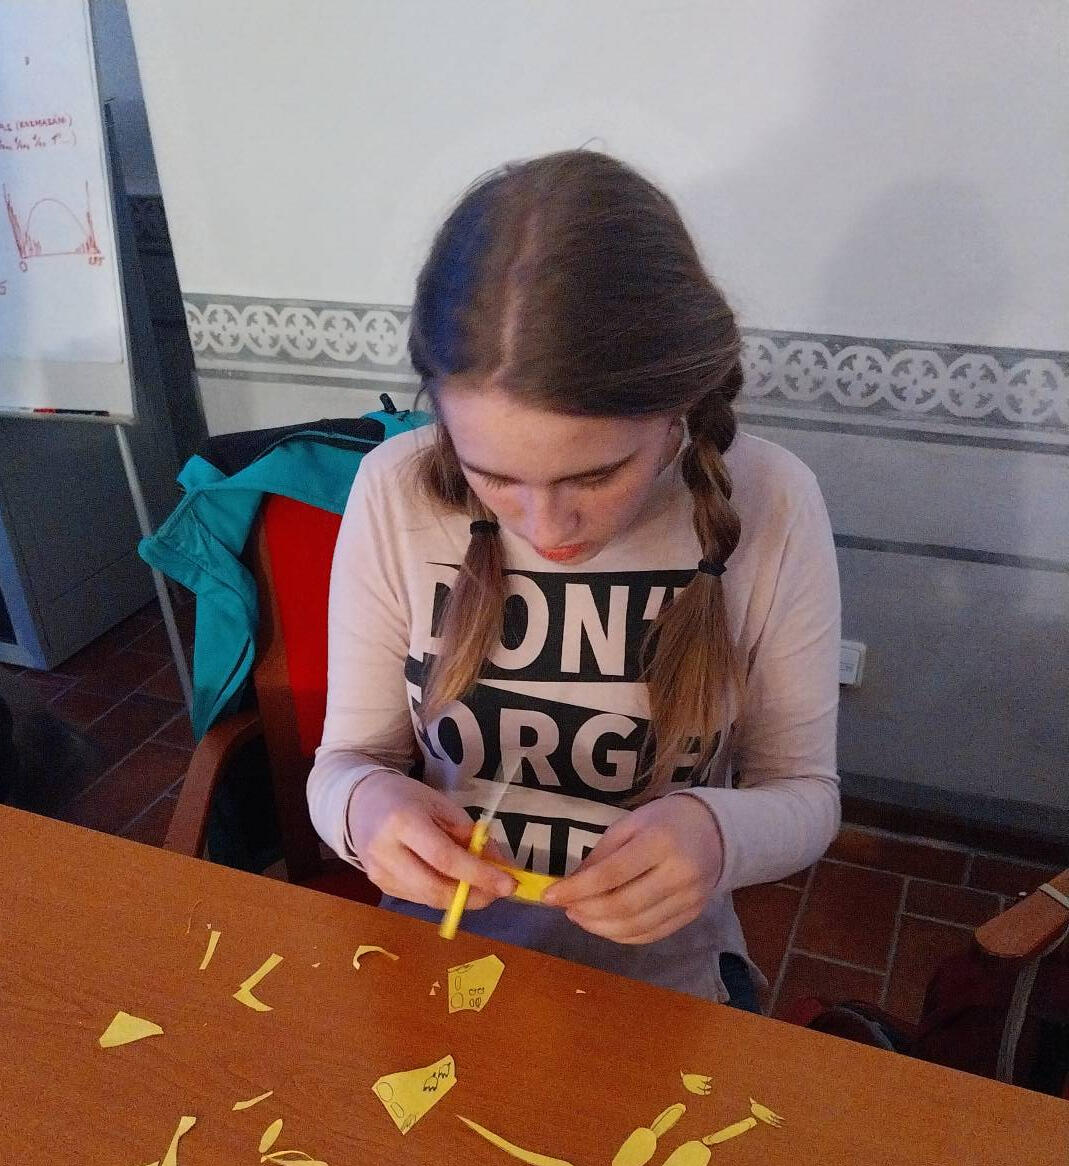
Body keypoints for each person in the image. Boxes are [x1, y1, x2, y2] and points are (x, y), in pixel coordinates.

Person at [307, 150, 841, 1012]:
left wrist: (716, 833)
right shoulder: (393, 489)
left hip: (663, 979)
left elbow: (805, 793)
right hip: (436, 963)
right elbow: (343, 764)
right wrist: (364, 808)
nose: (547, 529)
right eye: (492, 475)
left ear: (678, 404)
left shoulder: (773, 500)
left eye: (596, 476)